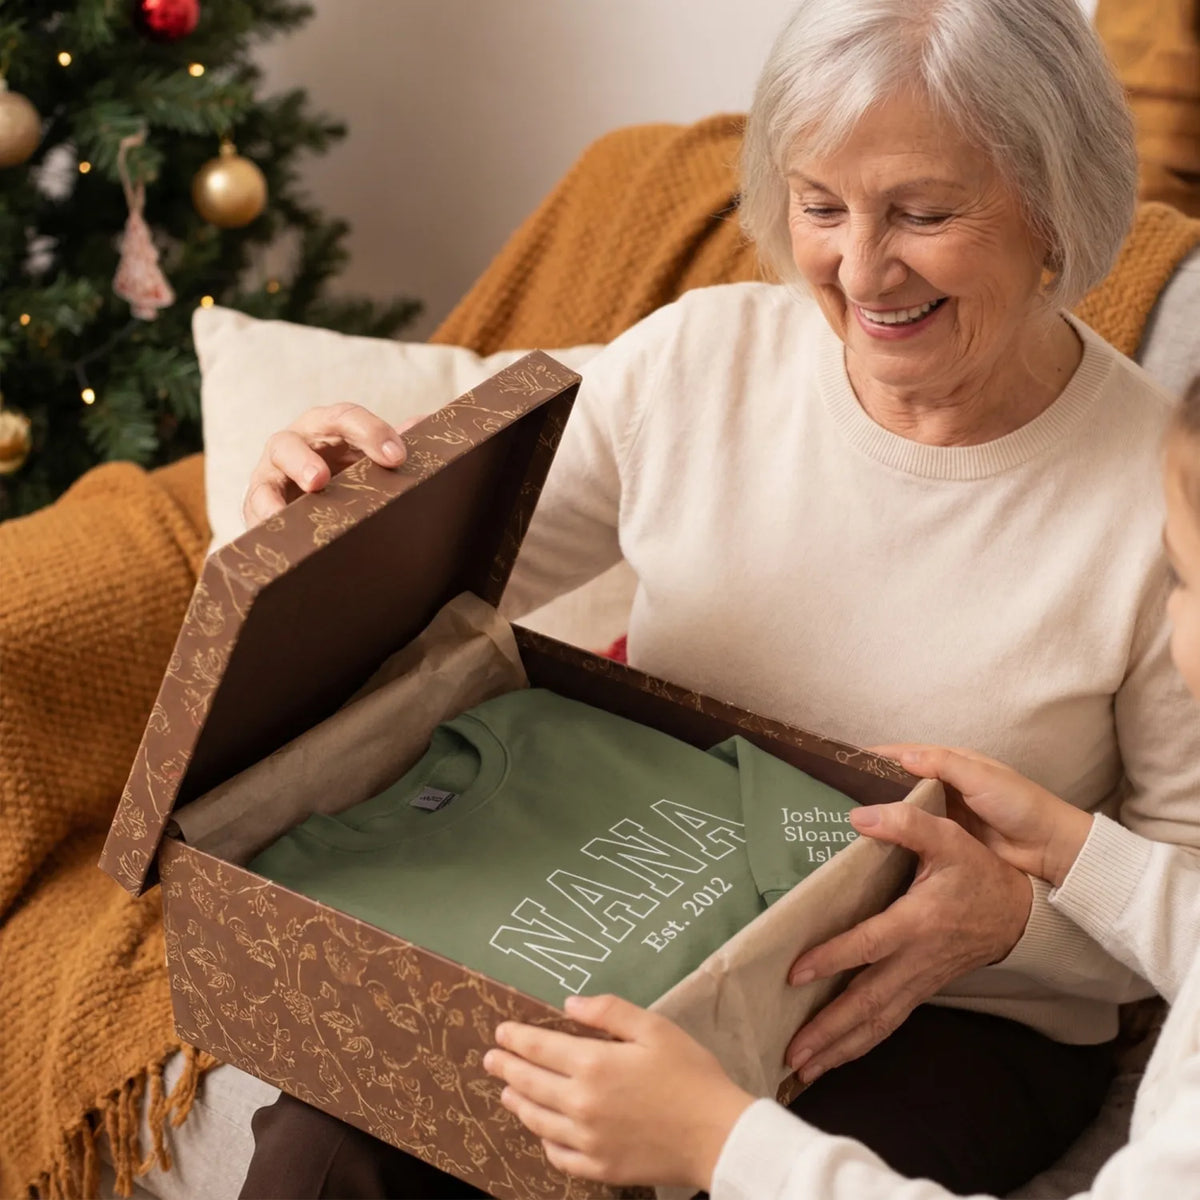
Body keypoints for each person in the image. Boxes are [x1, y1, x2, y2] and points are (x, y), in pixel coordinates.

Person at [238, 1, 1200, 1195]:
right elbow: (423, 601)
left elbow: (1187, 884)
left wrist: (1012, 923)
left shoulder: (1168, 491)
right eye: (822, 206)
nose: (861, 269)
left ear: (1055, 205)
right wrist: (320, 517)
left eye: (925, 212)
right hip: (619, 919)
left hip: (940, 1014)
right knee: (332, 1140)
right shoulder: (697, 361)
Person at [479, 384, 1200, 1199]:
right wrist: (1081, 854)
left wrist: (722, 1146)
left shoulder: (1130, 451)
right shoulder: (693, 367)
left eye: (1180, 575)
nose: (864, 273)